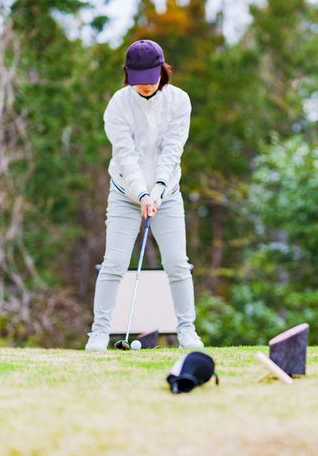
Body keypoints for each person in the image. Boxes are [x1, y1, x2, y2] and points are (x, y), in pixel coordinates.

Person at [85, 39, 203, 350]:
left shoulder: (179, 101)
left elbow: (172, 151)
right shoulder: (118, 104)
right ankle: (98, 332)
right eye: (139, 80)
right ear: (128, 75)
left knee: (178, 263)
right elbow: (126, 155)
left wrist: (158, 190)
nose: (146, 86)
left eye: (151, 78)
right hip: (125, 194)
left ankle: (187, 331)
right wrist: (141, 194)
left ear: (163, 71)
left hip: (168, 195)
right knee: (114, 263)